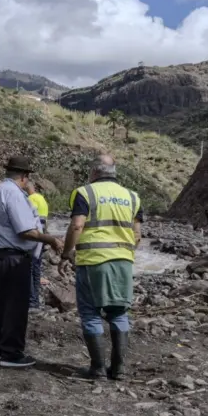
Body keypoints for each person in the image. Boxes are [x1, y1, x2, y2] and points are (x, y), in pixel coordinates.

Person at [59, 154, 142, 380]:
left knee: (90, 314)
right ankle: (119, 369)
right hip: (123, 261)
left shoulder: (85, 193)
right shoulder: (132, 197)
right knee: (119, 312)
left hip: (93, 260)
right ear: (114, 172)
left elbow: (77, 226)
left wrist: (66, 254)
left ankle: (98, 368)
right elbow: (137, 235)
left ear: (94, 172)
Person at [0, 157, 63, 367]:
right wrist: (51, 240)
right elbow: (26, 230)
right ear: (25, 177)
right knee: (15, 306)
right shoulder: (14, 195)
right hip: (12, 257)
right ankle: (11, 353)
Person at [26, 179, 49, 309]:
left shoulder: (30, 199)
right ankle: (35, 300)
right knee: (36, 269)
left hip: (34, 235)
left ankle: (32, 300)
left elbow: (29, 219)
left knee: (30, 267)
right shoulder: (42, 199)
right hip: (43, 234)